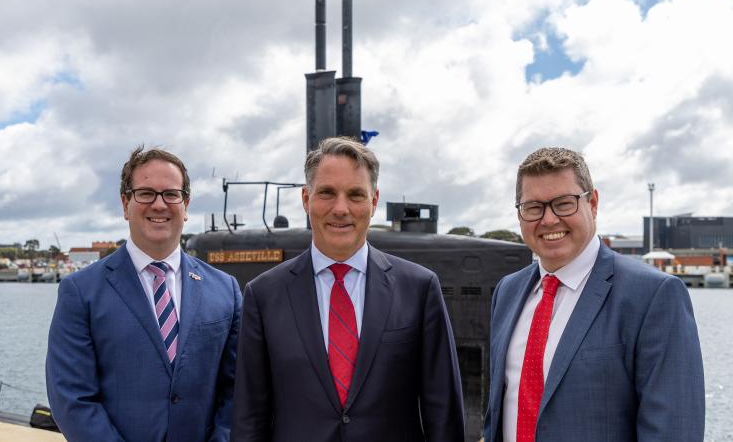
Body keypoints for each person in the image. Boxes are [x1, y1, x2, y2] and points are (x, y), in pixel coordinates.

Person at [232, 137, 465, 442]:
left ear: (374, 200)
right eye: (327, 193)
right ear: (306, 199)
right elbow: (250, 417)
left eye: (355, 195)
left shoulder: (419, 289)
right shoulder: (263, 295)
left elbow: (443, 413)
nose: (341, 209)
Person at [484, 147, 705, 442]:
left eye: (564, 203)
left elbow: (673, 431)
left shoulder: (653, 296)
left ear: (593, 203)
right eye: (534, 207)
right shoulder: (507, 292)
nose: (548, 220)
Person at [46, 147, 242, 442]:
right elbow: (71, 398)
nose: (159, 205)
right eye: (146, 193)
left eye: (171, 194)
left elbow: (238, 389)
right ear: (126, 204)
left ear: (185, 204)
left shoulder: (225, 289)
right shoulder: (81, 292)